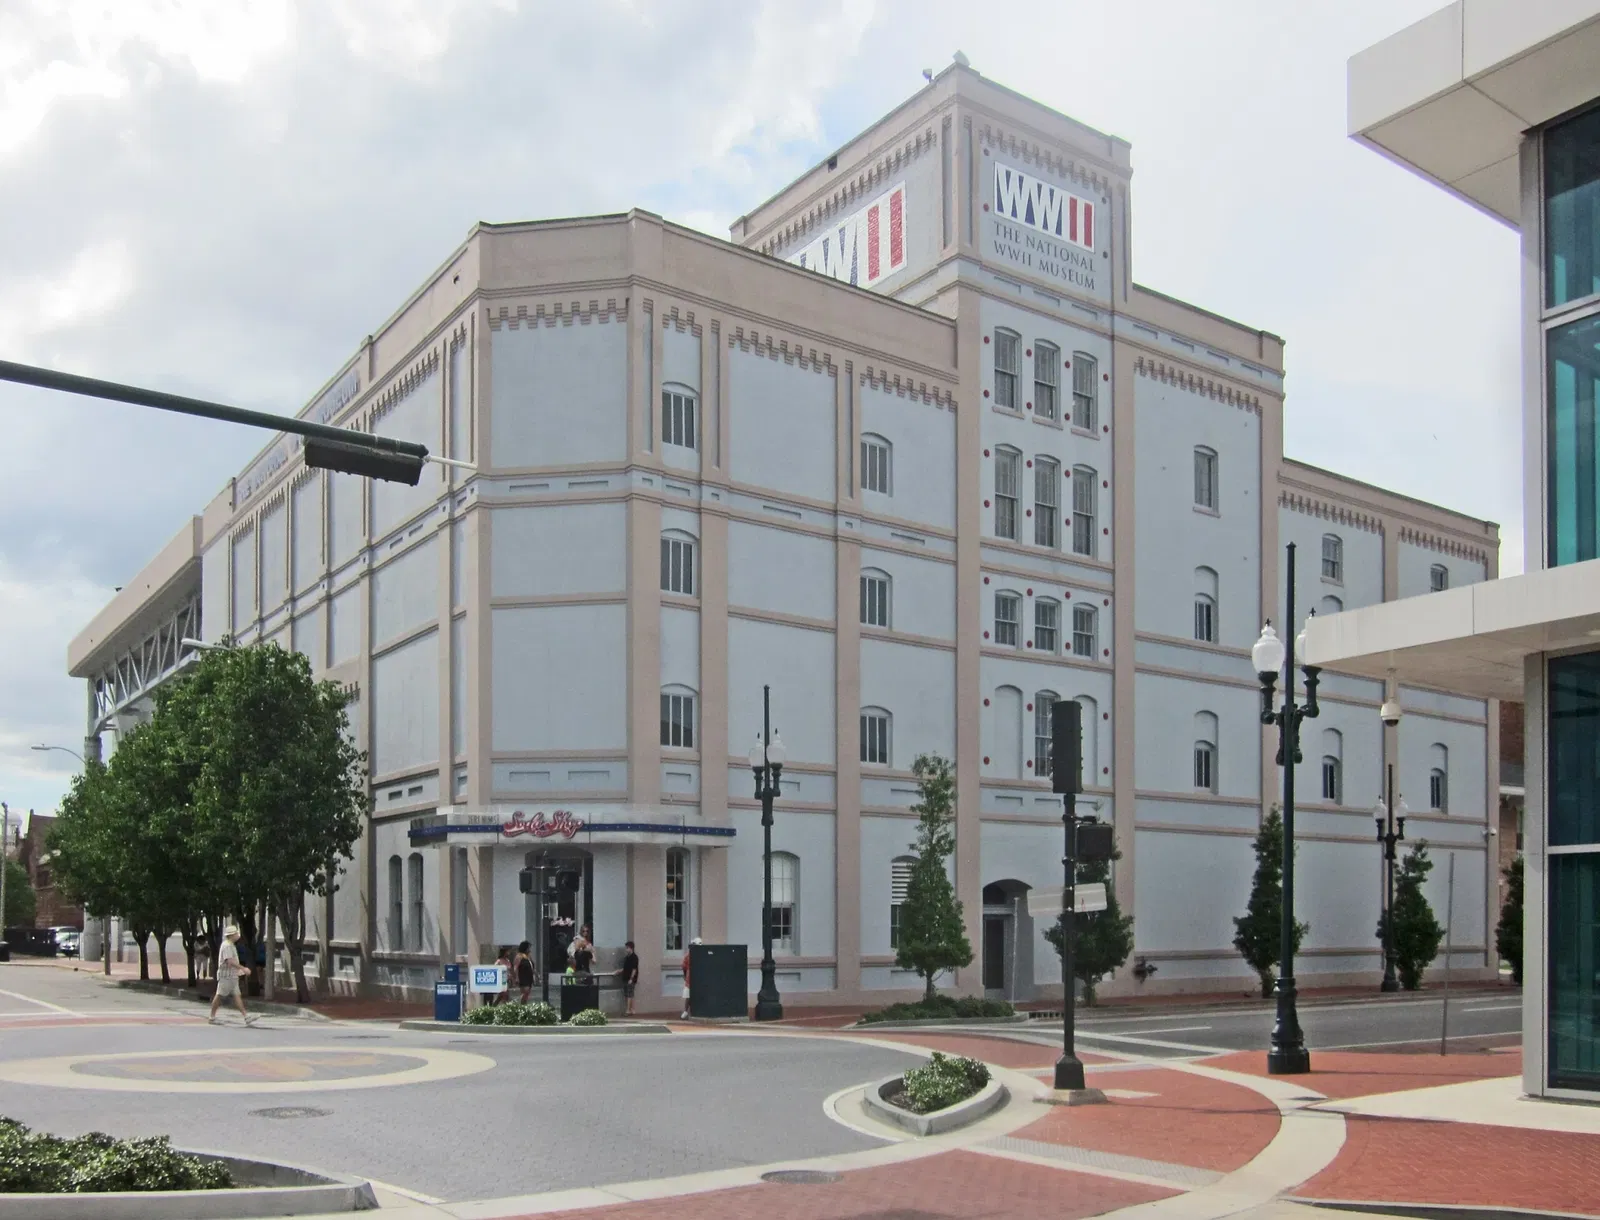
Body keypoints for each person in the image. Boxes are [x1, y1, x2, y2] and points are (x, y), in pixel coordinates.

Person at [208, 925, 256, 1026]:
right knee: (219, 995)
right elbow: (230, 961)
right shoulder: (227, 946)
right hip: (226, 976)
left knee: (237, 995)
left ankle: (246, 1016)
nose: (238, 935)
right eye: (236, 933)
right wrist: (243, 968)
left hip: (232, 976)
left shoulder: (231, 945)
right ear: (231, 935)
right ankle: (212, 1017)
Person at [680, 936, 702, 1020]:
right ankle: (686, 1011)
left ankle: (697, 1011)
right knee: (688, 995)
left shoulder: (702, 955)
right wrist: (685, 976)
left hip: (699, 979)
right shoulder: (688, 955)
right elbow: (684, 967)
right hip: (690, 979)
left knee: (698, 995)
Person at [617, 940, 639, 1016]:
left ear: (631, 948)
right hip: (625, 977)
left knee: (629, 994)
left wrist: (631, 979)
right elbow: (625, 968)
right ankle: (631, 1009)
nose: (626, 949)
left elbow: (634, 969)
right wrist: (619, 971)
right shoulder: (627, 957)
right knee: (627, 994)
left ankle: (628, 1010)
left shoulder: (634, 957)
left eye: (627, 948)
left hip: (630, 979)